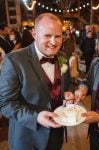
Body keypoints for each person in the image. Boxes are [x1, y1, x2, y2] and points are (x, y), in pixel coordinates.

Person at [0, 13, 74, 150]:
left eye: (58, 36)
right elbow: (5, 103)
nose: (53, 42)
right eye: (47, 35)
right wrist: (35, 118)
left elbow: (67, 82)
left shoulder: (62, 56)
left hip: (56, 133)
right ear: (34, 33)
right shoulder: (13, 60)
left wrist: (68, 92)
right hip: (28, 138)